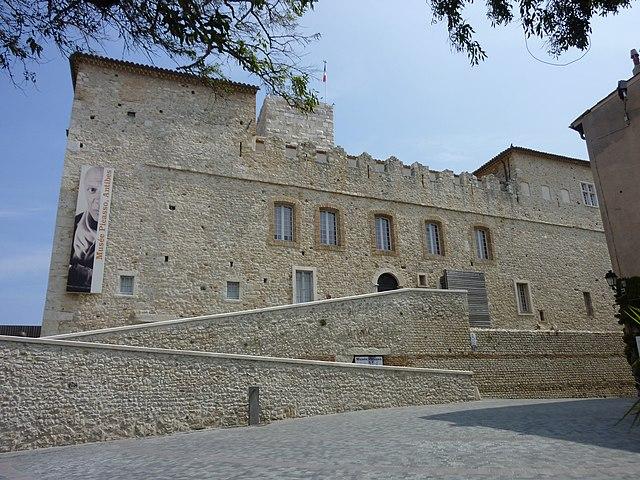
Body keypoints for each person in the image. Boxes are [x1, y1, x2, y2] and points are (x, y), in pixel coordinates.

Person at [67, 166, 103, 292]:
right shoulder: (74, 224)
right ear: (84, 191)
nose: (98, 201)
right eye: (92, 190)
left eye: (104, 192)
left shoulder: (118, 232)